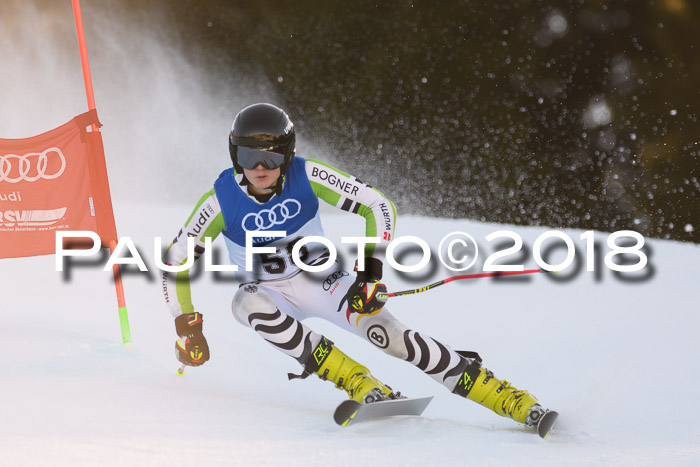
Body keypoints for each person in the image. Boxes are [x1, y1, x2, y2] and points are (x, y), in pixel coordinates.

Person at [162, 102, 550, 427]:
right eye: (249, 156)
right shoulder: (220, 200)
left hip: (323, 280)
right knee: (246, 303)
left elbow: (377, 205)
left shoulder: (307, 174)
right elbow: (174, 262)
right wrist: (186, 323)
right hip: (267, 291)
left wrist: (370, 272)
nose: (260, 167)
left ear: (288, 154)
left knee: (394, 338)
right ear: (235, 156)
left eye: (271, 156)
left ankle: (509, 399)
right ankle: (358, 382)